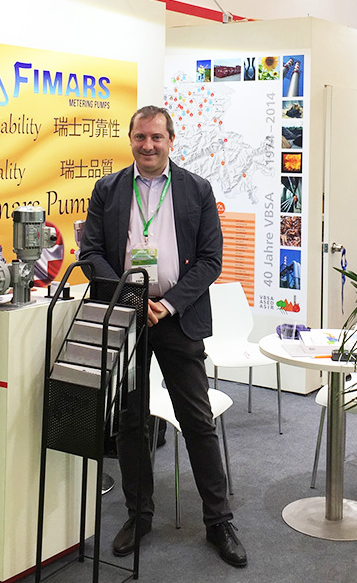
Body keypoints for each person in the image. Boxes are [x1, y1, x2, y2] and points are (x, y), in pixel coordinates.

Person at [79, 105, 247, 567]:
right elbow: (91, 253)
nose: (148, 145)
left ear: (171, 140)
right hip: (129, 317)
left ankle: (219, 521)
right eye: (140, 137)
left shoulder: (197, 188)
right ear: (130, 140)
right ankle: (139, 515)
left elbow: (210, 260)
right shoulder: (108, 189)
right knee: (131, 420)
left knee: (196, 420)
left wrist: (167, 304)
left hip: (178, 318)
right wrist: (133, 299)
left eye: (156, 137)